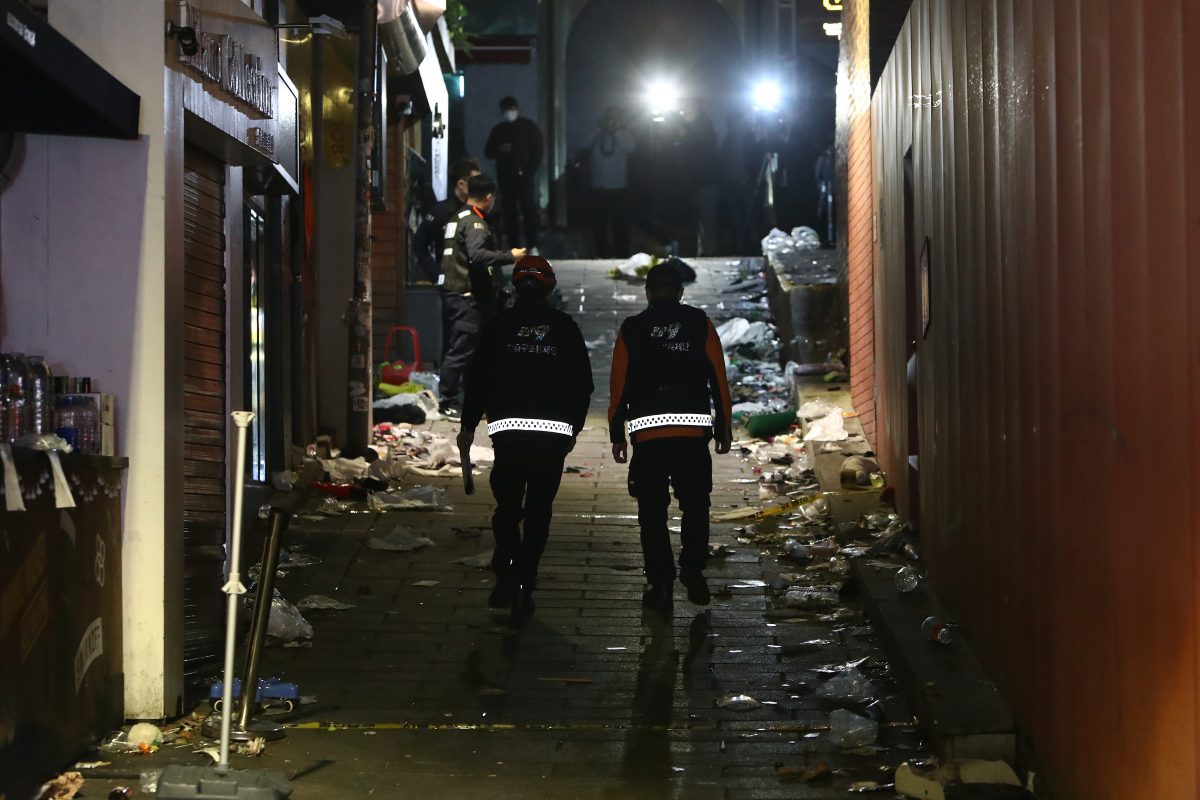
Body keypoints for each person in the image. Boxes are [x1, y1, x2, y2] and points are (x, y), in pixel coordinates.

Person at [458, 256, 594, 617]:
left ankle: (505, 572)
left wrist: (468, 424)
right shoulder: (564, 327)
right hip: (552, 434)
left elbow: (479, 378)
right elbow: (583, 383)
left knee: (507, 508)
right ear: (549, 287)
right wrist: (573, 426)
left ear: (514, 287)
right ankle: (527, 577)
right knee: (538, 511)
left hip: (509, 432)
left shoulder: (499, 325)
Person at [608, 261, 733, 607]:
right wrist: (723, 425)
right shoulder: (699, 323)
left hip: (648, 438)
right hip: (692, 435)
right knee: (696, 504)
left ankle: (660, 582)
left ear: (647, 293)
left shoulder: (632, 328)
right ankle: (692, 570)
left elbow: (618, 385)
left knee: (651, 511)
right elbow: (718, 378)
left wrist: (616, 431)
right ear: (680, 293)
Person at [437, 175, 526, 417]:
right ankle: (448, 401)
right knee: (463, 347)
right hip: (465, 295)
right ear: (489, 198)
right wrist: (511, 256)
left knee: (476, 348)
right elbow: (477, 255)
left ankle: (473, 398)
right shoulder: (475, 223)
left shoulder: (459, 217)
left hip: (459, 292)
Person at [484, 96, 543, 251]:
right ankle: (514, 246)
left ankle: (532, 244)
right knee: (510, 213)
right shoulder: (499, 130)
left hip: (524, 176)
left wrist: (530, 171)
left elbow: (538, 152)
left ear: (516, 109)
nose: (509, 113)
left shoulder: (528, 127)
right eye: (506, 110)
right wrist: (499, 149)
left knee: (528, 210)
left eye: (511, 109)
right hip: (506, 177)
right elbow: (488, 152)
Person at [412, 158, 482, 284]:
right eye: (476, 182)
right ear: (462, 185)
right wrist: (438, 276)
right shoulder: (441, 212)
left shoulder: (481, 211)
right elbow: (419, 245)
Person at [588, 107, 635, 257]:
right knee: (599, 224)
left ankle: (622, 253)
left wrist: (616, 130)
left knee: (620, 224)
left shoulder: (624, 134)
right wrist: (598, 129)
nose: (611, 121)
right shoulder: (596, 134)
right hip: (598, 186)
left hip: (618, 187)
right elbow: (582, 144)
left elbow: (630, 148)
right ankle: (601, 253)